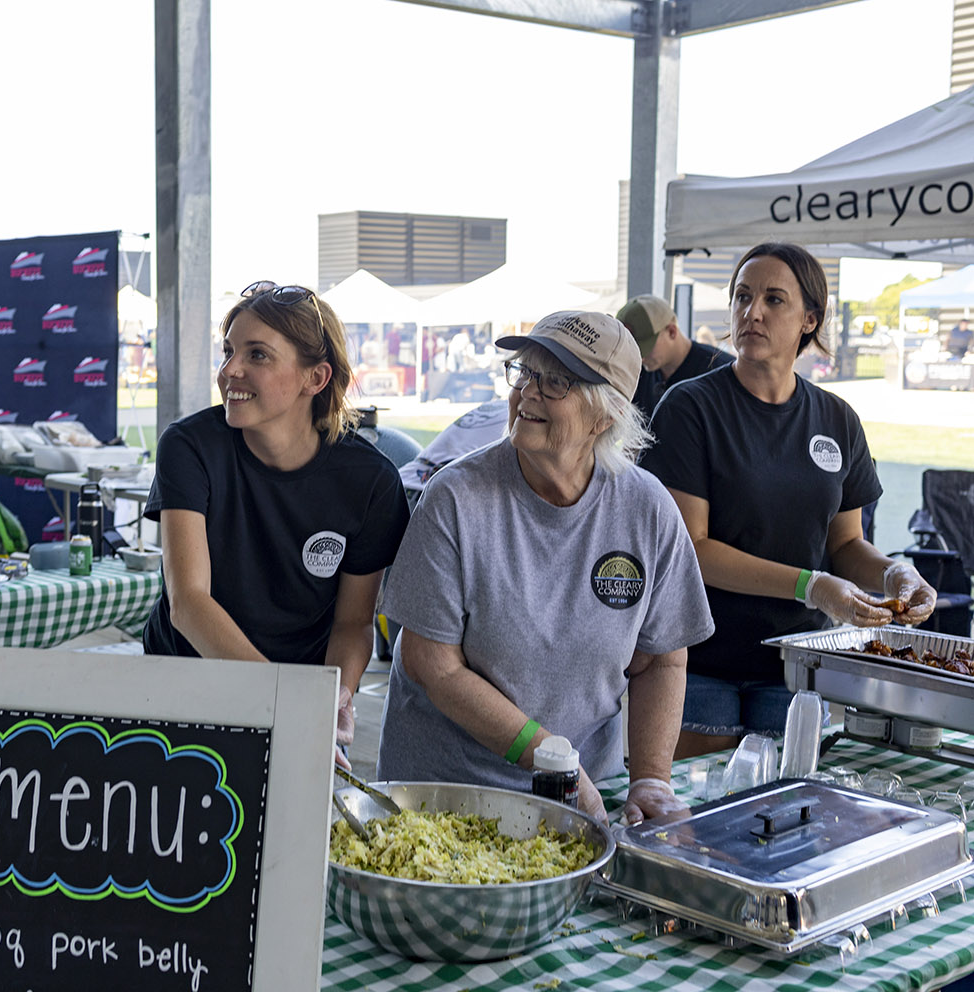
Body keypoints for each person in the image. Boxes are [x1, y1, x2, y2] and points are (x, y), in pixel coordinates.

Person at [376, 310, 714, 824]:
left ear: (607, 414)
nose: (528, 392)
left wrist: (650, 778)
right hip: (446, 800)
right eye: (525, 373)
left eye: (556, 381)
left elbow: (662, 658)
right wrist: (556, 761)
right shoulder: (457, 498)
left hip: (582, 794)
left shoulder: (647, 510)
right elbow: (433, 665)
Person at [642, 242, 938, 758]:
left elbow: (845, 543)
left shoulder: (836, 419)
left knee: (785, 817)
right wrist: (813, 586)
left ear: (809, 319)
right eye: (742, 296)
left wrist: (895, 575)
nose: (751, 312)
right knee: (691, 819)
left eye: (774, 300)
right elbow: (693, 546)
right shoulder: (690, 407)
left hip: (796, 663)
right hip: (698, 660)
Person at [142, 280, 409, 760]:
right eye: (228, 352)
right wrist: (286, 703)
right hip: (185, 680)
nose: (230, 371)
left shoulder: (371, 482)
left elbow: (353, 623)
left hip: (294, 691)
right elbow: (188, 603)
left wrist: (334, 700)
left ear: (316, 378)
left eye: (257, 355)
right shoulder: (189, 447)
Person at [617, 294, 733, 419]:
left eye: (645, 348)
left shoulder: (719, 370)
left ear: (672, 331)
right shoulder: (638, 372)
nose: (641, 358)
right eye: (632, 351)